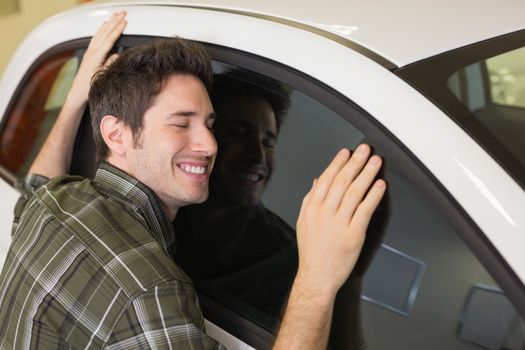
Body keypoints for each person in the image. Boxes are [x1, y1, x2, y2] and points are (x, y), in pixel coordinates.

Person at [0, 11, 386, 350]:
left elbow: (37, 184)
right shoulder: (151, 292)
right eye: (181, 123)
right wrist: (317, 281)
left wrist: (75, 101)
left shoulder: (55, 202)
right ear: (116, 134)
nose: (208, 143)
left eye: (210, 125)